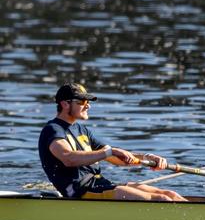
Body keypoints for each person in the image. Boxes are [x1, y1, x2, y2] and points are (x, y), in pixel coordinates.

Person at [38, 82, 186, 201]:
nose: (87, 105)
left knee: (170, 195)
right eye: (82, 101)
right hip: (81, 191)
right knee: (161, 199)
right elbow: (68, 158)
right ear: (65, 104)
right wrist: (109, 151)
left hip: (99, 184)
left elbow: (116, 158)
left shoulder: (82, 130)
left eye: (88, 101)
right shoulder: (53, 130)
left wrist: (147, 157)